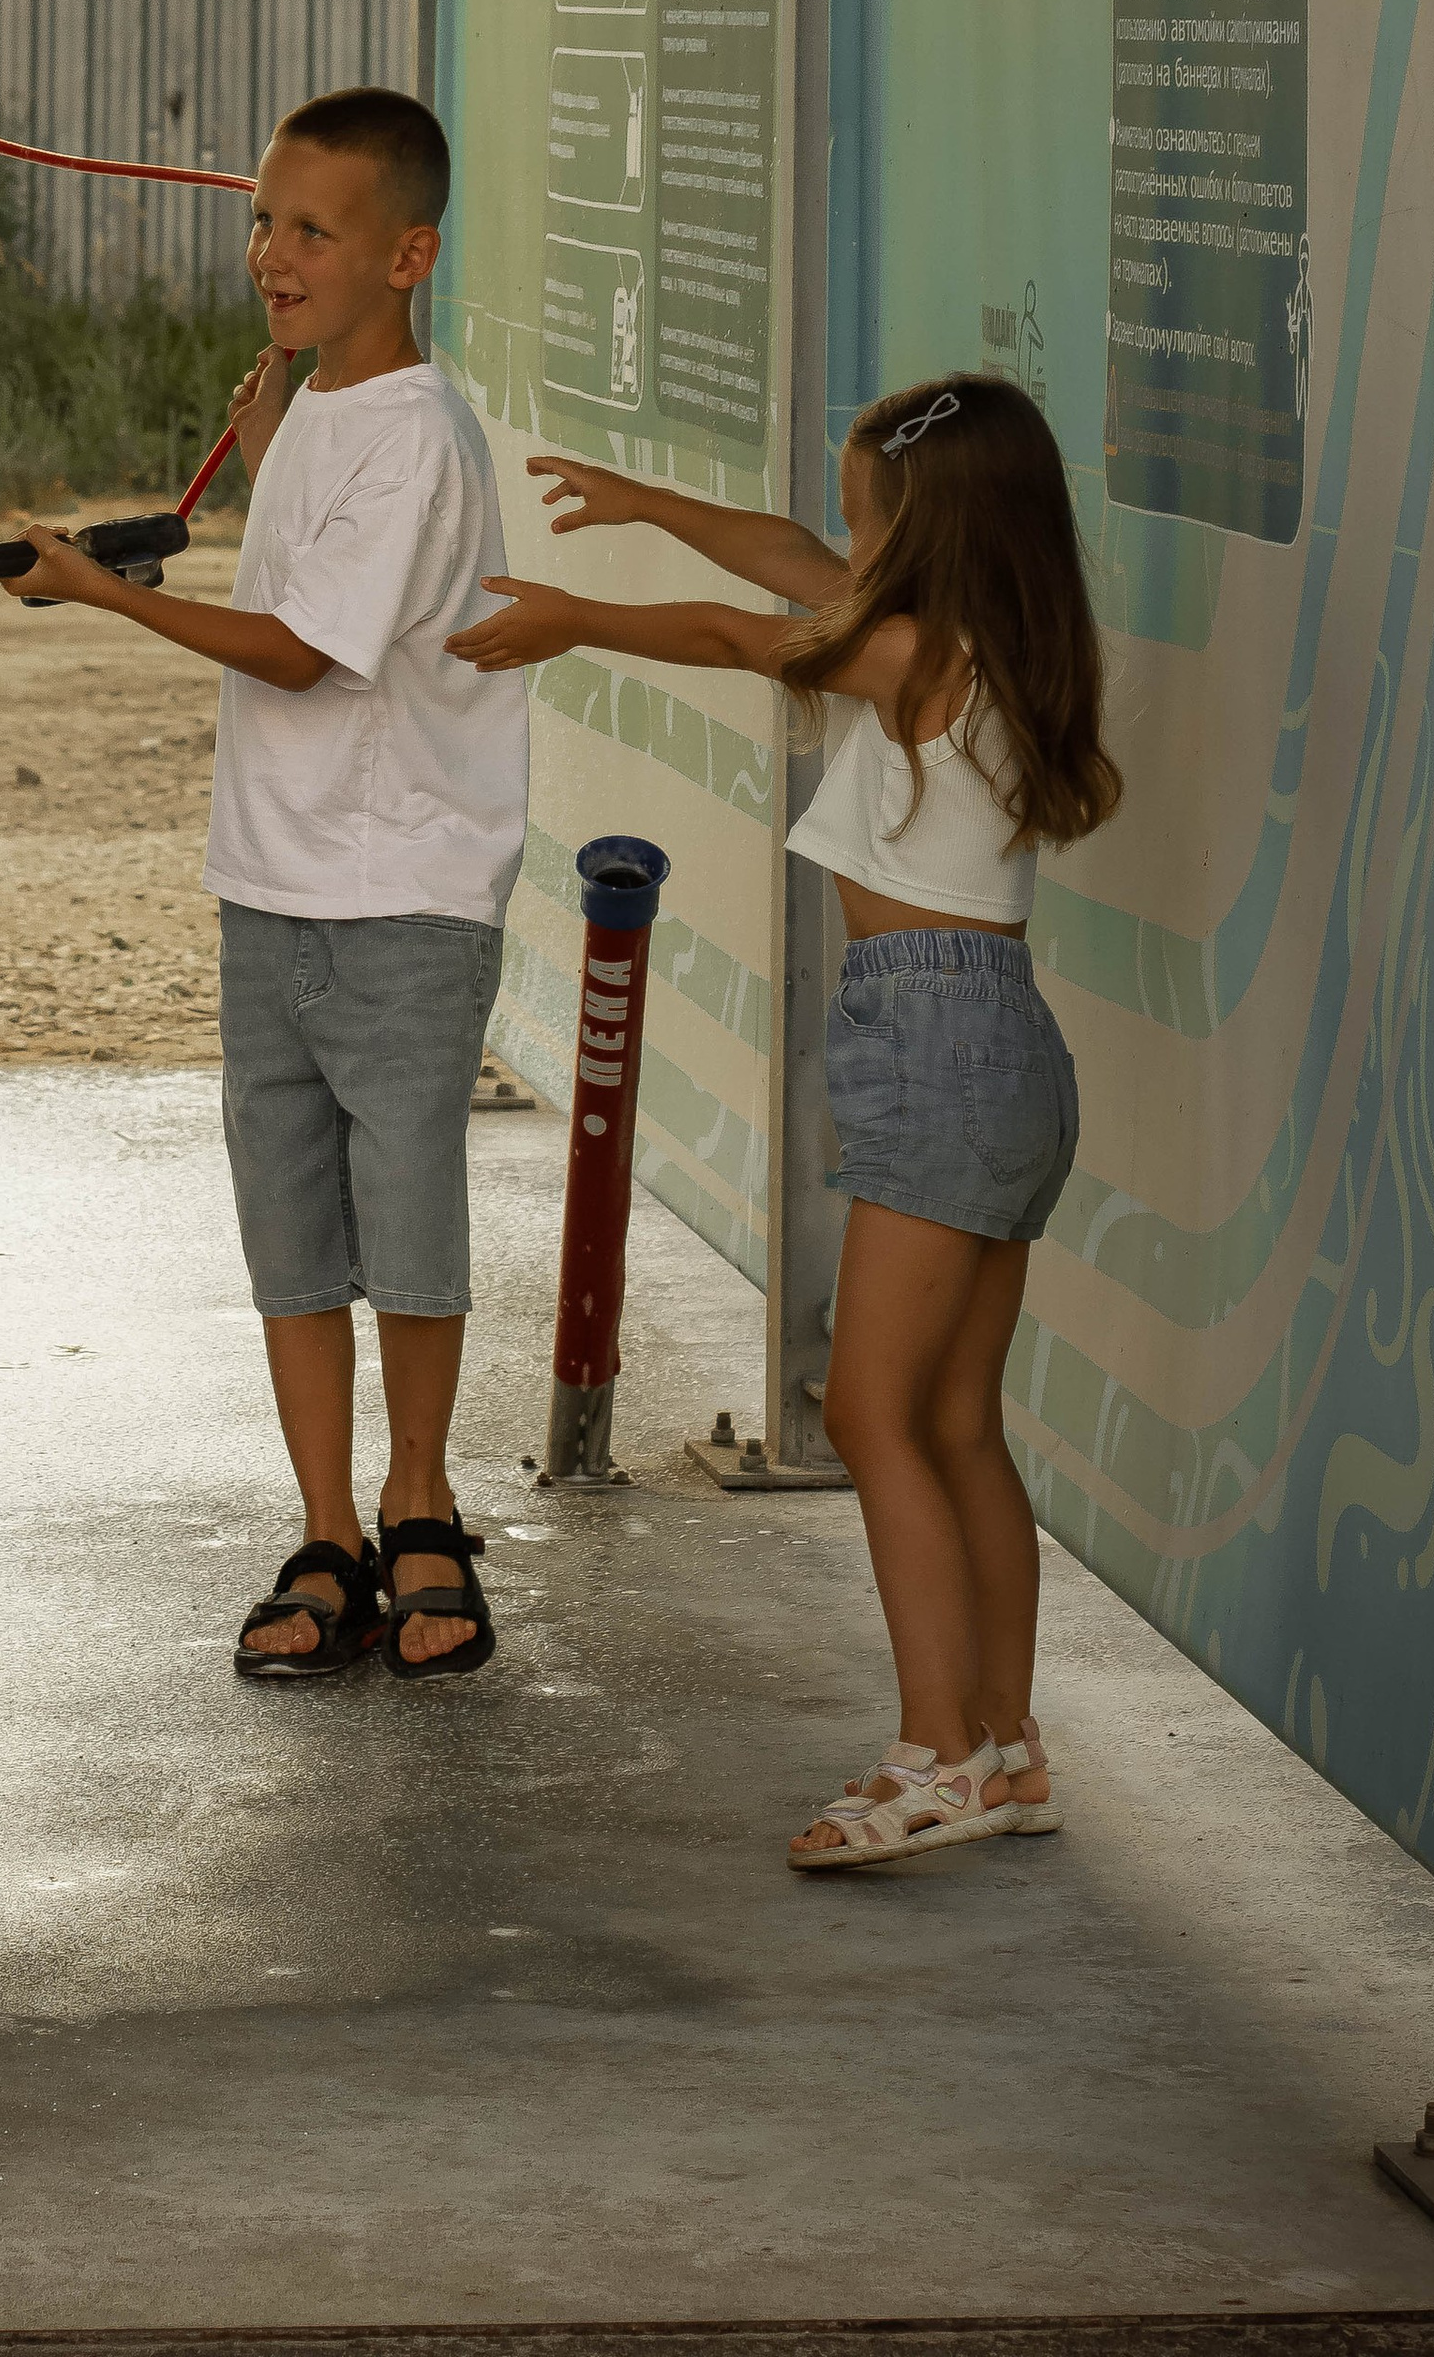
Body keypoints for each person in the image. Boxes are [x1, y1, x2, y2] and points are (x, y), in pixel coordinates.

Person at [444, 373, 1121, 1863]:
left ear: (930, 527)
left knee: (875, 1411)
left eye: (869, 510)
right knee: (956, 1421)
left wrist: (581, 619)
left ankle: (934, 1752)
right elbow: (776, 564)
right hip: (993, 1036)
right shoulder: (980, 641)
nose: (846, 535)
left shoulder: (915, 651)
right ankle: (1003, 1752)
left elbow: (746, 636)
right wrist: (649, 507)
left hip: (937, 1035)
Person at [6, 87, 529, 1683]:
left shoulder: (418, 434)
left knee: (409, 1214)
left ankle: (421, 1504)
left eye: (315, 230)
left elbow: (303, 653)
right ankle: (327, 1532)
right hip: (275, 885)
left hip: (404, 891)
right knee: (293, 1224)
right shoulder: (312, 404)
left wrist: (101, 598)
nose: (272, 255)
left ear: (410, 254)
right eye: (262, 221)